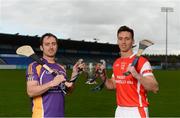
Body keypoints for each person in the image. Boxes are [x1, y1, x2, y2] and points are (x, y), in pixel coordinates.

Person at [99, 26, 159, 118]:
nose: (123, 42)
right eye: (120, 39)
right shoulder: (117, 63)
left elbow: (155, 88)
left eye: (127, 39)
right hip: (119, 110)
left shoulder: (142, 62)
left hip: (137, 111)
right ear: (117, 41)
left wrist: (136, 75)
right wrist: (103, 76)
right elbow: (112, 86)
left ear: (133, 41)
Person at [26, 33, 84, 118]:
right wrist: (52, 83)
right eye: (47, 44)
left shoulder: (61, 68)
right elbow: (31, 91)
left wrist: (74, 75)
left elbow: (68, 91)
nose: (51, 47)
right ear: (41, 47)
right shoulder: (34, 66)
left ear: (57, 46)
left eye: (53, 44)